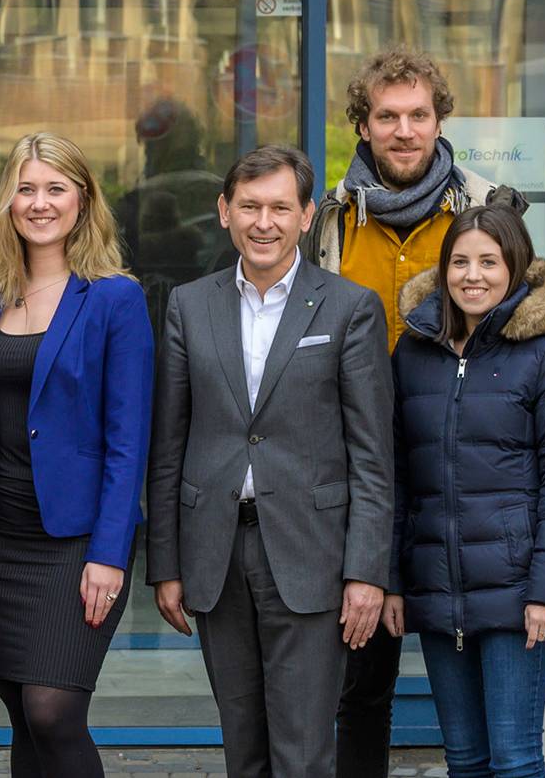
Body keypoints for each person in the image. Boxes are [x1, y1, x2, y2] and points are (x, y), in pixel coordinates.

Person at [146, 145, 393, 778]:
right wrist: (165, 564)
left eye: (281, 207)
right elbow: (169, 445)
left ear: (307, 216)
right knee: (243, 749)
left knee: (303, 753)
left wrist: (367, 571)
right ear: (223, 211)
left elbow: (372, 457)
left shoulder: (350, 307)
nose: (265, 222)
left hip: (312, 555)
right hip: (216, 555)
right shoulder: (188, 305)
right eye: (250, 206)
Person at [0, 133, 156, 778]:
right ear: (8, 200)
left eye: (55, 188)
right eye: (26, 189)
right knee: (20, 710)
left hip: (76, 542)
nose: (39, 203)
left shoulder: (115, 297)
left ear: (83, 200)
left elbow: (129, 441)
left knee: (52, 711)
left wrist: (108, 555)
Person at [314, 49, 498, 773]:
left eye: (418, 114)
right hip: (356, 474)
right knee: (362, 682)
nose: (403, 130)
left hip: (459, 471)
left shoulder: (487, 208)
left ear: (439, 119)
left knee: (480, 685)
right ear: (362, 123)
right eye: (387, 116)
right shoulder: (329, 219)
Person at [390, 201, 545, 778]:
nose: (472, 275)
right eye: (459, 262)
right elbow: (398, 476)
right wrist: (394, 581)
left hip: (518, 594)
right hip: (436, 587)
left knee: (516, 760)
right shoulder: (414, 352)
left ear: (515, 268)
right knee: (464, 762)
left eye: (488, 261)